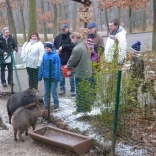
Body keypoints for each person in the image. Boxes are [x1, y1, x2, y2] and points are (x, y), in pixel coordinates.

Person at [66, 32, 92, 114]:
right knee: (86, 90)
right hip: (87, 71)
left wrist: (67, 66)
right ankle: (87, 106)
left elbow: (72, 61)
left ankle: (80, 108)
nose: (71, 41)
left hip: (80, 72)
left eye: (71, 39)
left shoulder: (77, 48)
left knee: (80, 91)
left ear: (75, 38)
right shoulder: (84, 45)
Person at [54, 24, 75, 96]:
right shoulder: (58, 37)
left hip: (70, 59)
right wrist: (56, 50)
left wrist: (63, 46)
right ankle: (62, 88)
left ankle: (73, 90)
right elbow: (54, 45)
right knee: (61, 76)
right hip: (60, 59)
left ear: (67, 29)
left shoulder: (71, 36)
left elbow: (73, 46)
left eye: (64, 29)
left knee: (71, 76)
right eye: (62, 29)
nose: (63, 31)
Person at [38, 42, 61, 109]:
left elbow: (57, 67)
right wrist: (40, 75)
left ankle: (56, 104)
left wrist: (57, 77)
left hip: (53, 77)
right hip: (46, 77)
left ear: (51, 48)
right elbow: (42, 66)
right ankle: (46, 104)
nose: (46, 49)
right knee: (46, 92)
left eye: (47, 48)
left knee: (54, 91)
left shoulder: (55, 56)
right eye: (45, 48)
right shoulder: (44, 55)